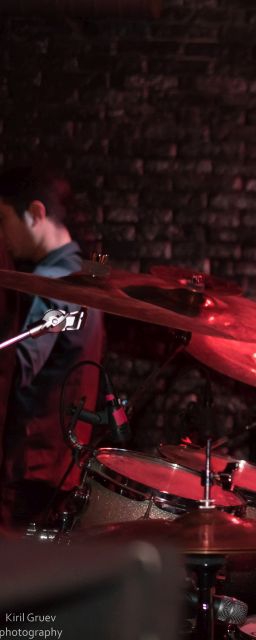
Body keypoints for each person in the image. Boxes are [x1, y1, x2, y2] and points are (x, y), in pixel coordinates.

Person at [0, 166, 105, 529]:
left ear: (35, 213)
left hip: (29, 466)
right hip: (63, 463)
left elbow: (17, 369)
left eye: (3, 219)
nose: (1, 234)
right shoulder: (85, 277)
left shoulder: (52, 284)